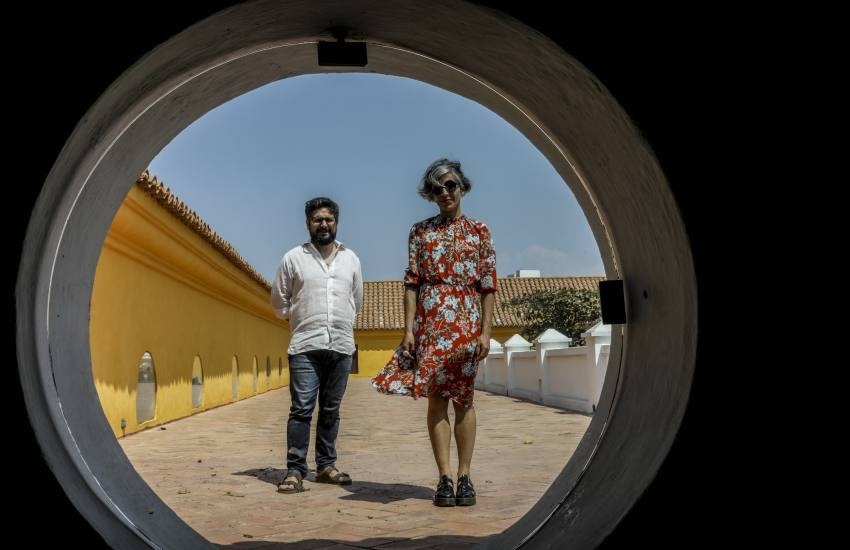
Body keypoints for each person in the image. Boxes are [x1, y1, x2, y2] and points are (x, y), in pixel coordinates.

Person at [372, 159, 497, 507]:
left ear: (462, 187)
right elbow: (412, 282)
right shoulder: (420, 232)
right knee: (437, 399)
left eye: (450, 185)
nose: (445, 192)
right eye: (437, 188)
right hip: (430, 323)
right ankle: (444, 478)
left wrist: (485, 332)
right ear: (430, 195)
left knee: (464, 399)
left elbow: (488, 284)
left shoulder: (480, 231)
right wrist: (408, 329)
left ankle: (465, 476)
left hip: (467, 323)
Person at [270, 197, 363, 493]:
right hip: (305, 346)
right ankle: (295, 470)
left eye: (329, 219)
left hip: (341, 345)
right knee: (301, 410)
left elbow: (356, 301)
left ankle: (325, 466)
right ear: (308, 223)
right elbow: (278, 303)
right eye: (317, 219)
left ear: (336, 222)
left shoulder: (352, 259)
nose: (323, 224)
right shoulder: (292, 259)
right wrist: (301, 319)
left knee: (331, 410)